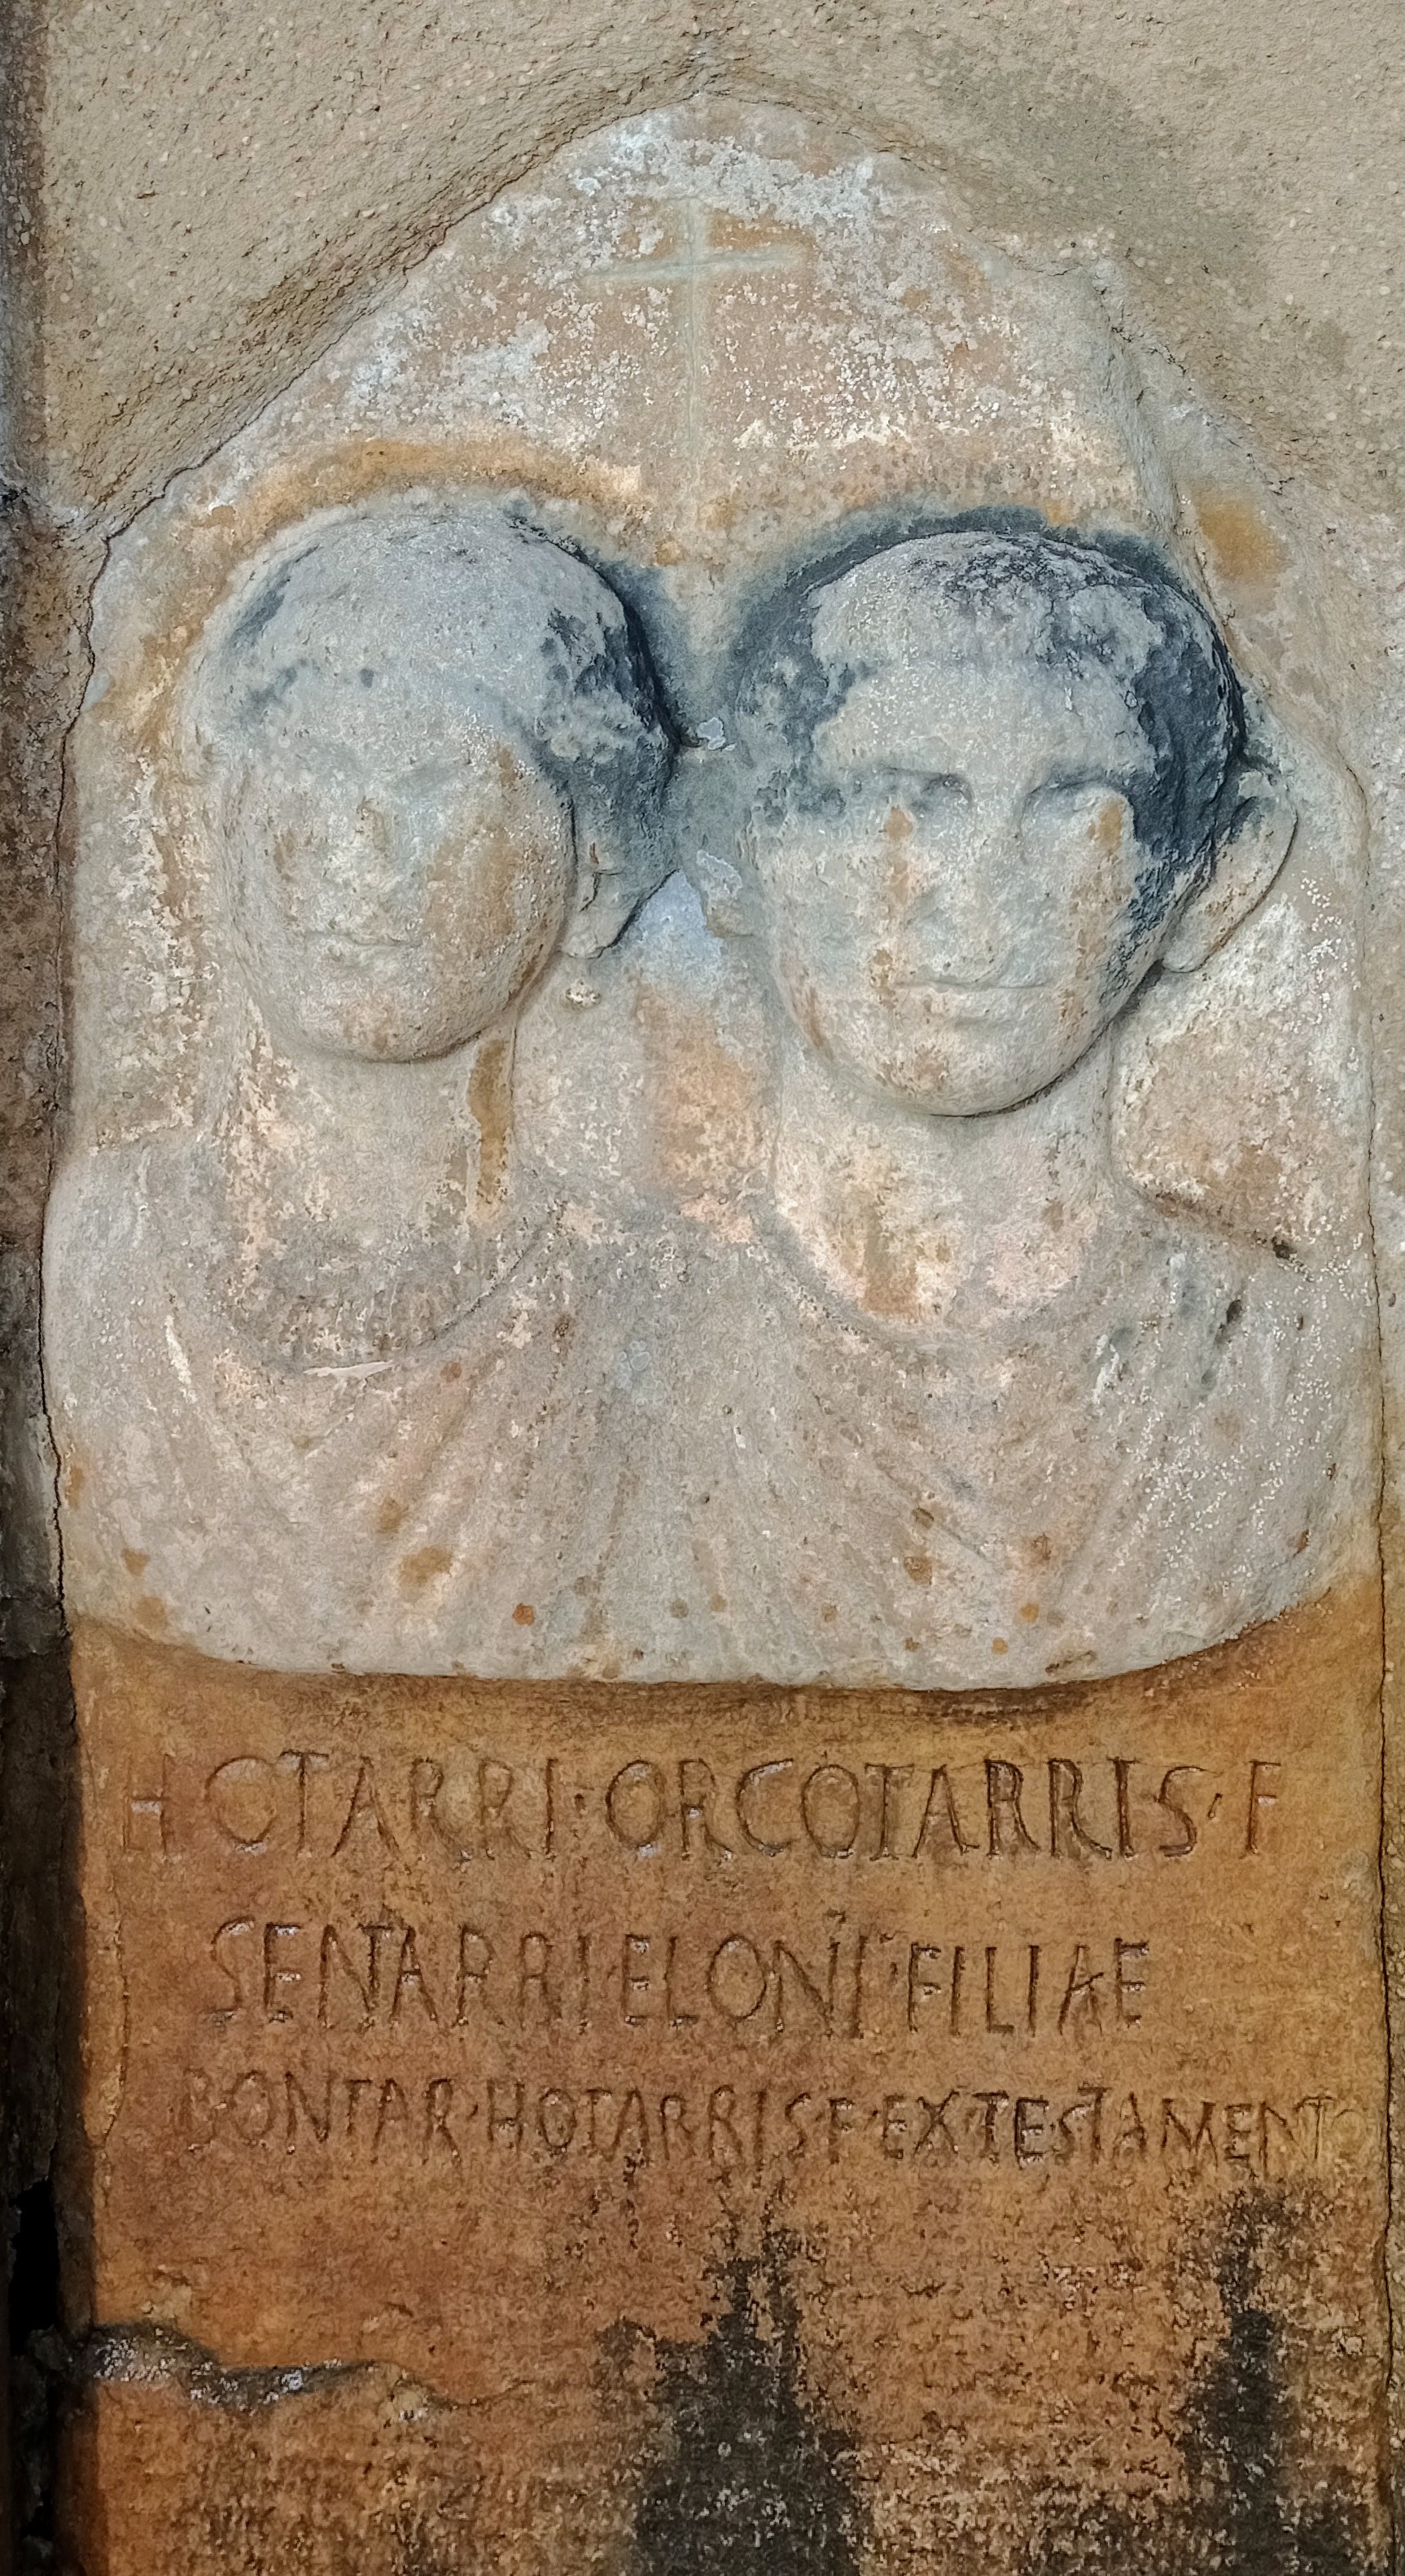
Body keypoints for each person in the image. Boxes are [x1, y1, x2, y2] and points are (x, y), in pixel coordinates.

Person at [656, 515, 1373, 1684]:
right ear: (728, 845)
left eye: (1074, 809)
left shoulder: (1294, 1366)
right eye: (897, 799)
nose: (978, 902)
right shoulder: (613, 1352)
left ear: (1214, 879)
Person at [45, 494, 681, 1668]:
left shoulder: (660, 1305)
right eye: (314, 774)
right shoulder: (106, 1253)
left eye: (440, 784)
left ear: (592, 873)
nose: (363, 850)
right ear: (219, 830)